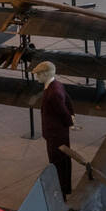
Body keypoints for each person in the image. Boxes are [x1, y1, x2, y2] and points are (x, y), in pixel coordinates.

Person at [33, 61, 75, 195]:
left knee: (57, 162)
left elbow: (62, 111)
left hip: (55, 134)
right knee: (63, 160)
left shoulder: (53, 93)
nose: (36, 77)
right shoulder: (57, 85)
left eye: (38, 74)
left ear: (45, 74)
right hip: (58, 132)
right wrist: (72, 116)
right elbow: (68, 100)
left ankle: (61, 191)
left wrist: (69, 121)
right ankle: (65, 188)